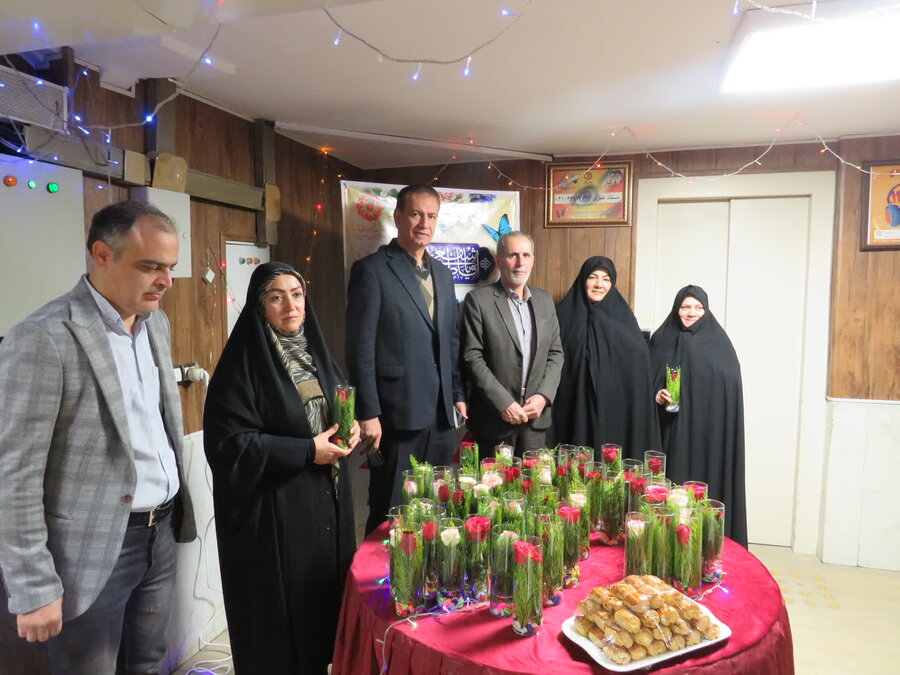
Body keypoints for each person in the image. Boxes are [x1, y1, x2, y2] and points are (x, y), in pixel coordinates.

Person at [0, 200, 196, 673]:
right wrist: (32, 583)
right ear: (103, 255)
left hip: (160, 533)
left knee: (148, 663)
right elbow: (15, 474)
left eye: (170, 267)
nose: (166, 281)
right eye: (150, 266)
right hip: (89, 550)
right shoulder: (44, 337)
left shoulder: (156, 323)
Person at [204, 262, 360, 674]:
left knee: (321, 614)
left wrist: (351, 426)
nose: (290, 305)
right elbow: (230, 446)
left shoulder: (315, 352)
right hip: (276, 517)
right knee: (284, 634)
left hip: (325, 508)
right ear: (260, 306)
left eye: (296, 294)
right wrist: (307, 451)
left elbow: (336, 405)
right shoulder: (242, 367)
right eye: (277, 297)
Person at [346, 184, 467, 535]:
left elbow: (451, 340)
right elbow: (359, 348)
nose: (424, 224)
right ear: (398, 216)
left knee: (436, 511)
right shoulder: (371, 270)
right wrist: (368, 412)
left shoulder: (443, 273)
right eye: (416, 214)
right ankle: (382, 573)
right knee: (391, 513)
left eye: (431, 216)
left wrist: (457, 393)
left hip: (441, 417)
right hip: (396, 415)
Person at [650, 285, 748, 547]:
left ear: (706, 310)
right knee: (674, 493)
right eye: (685, 307)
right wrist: (657, 395)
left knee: (705, 492)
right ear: (676, 309)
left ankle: (707, 547)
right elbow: (643, 381)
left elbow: (729, 387)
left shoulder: (719, 344)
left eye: (698, 307)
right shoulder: (661, 340)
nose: (691, 312)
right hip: (673, 432)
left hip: (709, 437)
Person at [460, 231, 564, 456]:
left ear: (533, 260)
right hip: (494, 419)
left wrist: (543, 396)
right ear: (499, 260)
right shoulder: (478, 301)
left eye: (526, 255)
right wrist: (503, 403)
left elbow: (556, 354)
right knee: (494, 480)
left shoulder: (545, 300)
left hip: (535, 420)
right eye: (512, 255)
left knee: (534, 479)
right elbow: (472, 357)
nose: (520, 263)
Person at [549, 256, 660, 459]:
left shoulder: (624, 320)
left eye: (606, 279)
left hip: (613, 411)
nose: (599, 284)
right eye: (593, 277)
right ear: (583, 280)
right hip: (572, 407)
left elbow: (639, 367)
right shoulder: (562, 318)